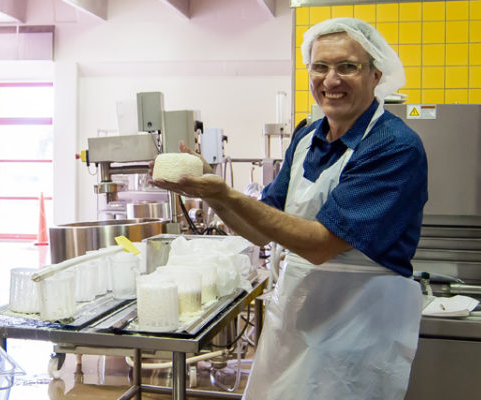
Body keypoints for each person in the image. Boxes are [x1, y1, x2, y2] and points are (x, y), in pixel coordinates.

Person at [151, 18, 427, 399]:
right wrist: (211, 192)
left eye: (347, 66)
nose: (331, 80)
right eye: (320, 67)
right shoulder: (306, 137)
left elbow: (320, 245)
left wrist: (227, 195)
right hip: (295, 323)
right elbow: (261, 231)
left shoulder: (392, 147)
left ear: (375, 75)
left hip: (357, 333)